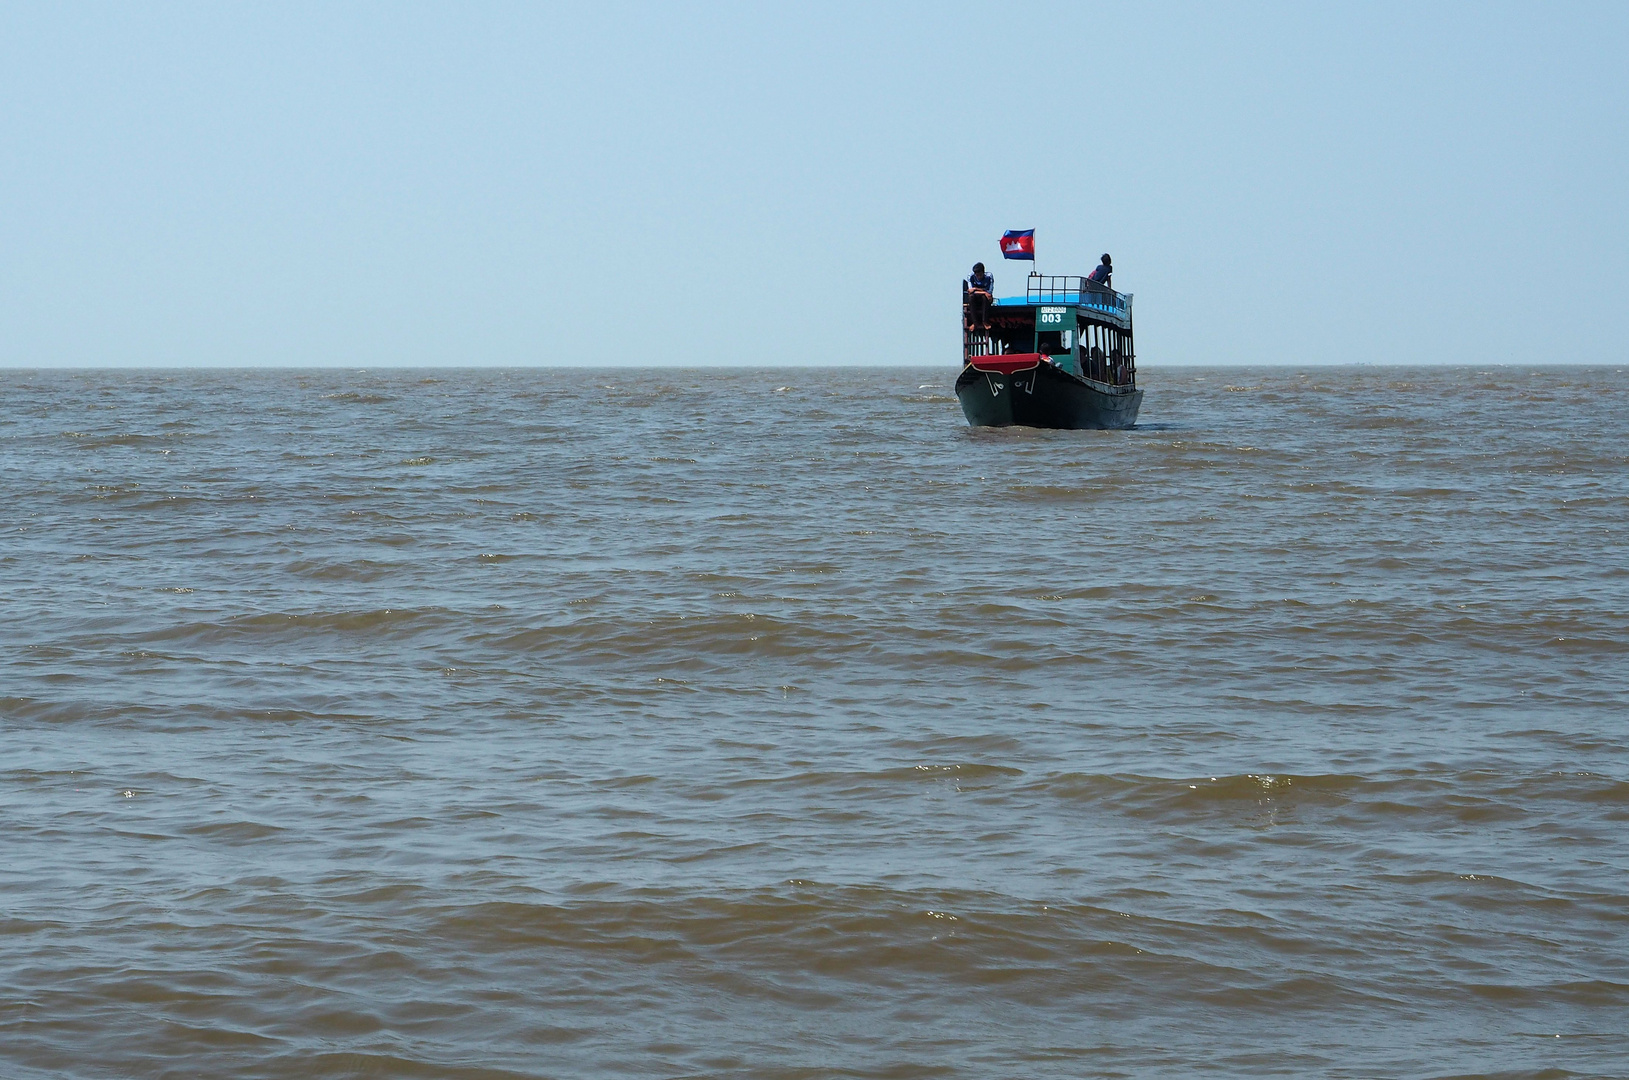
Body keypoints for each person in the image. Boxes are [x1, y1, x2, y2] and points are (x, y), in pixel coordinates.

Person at [965, 262, 994, 332]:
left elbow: (989, 293)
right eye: (977, 275)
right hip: (975, 298)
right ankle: (975, 323)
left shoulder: (989, 276)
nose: (978, 277)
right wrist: (983, 291)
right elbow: (970, 291)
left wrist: (976, 289)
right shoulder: (971, 276)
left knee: (985, 298)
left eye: (980, 275)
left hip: (985, 299)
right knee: (971, 297)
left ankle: (985, 321)